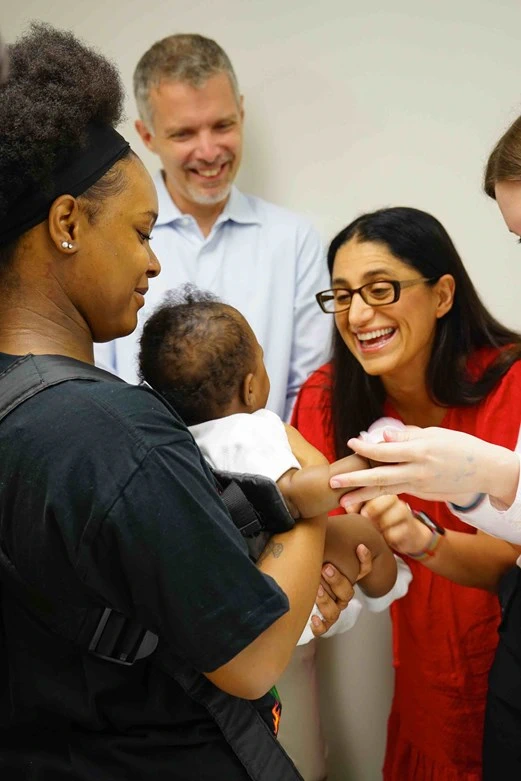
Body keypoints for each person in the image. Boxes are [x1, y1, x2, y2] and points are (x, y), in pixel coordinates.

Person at [0, 23, 354, 780]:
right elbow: (252, 658)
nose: (154, 262)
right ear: (67, 224)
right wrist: (307, 504)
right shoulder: (112, 432)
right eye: (138, 231)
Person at [291, 205, 521, 780]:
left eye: (380, 289)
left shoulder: (513, 384)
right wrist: (330, 575)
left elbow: (511, 565)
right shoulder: (325, 399)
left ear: (442, 295)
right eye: (342, 295)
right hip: (425, 695)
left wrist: (422, 537)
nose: (357, 315)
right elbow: (320, 546)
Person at [137, 286, 413, 641]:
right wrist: (369, 460)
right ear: (250, 388)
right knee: (360, 532)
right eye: (262, 360)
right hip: (280, 591)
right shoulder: (251, 429)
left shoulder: (169, 441)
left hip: (217, 601)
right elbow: (295, 495)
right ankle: (390, 586)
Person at [94, 33, 330, 421]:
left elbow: (308, 393)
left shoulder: (294, 241)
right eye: (184, 133)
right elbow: (99, 380)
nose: (208, 151)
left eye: (222, 125)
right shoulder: (109, 242)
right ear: (147, 136)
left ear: (241, 113)